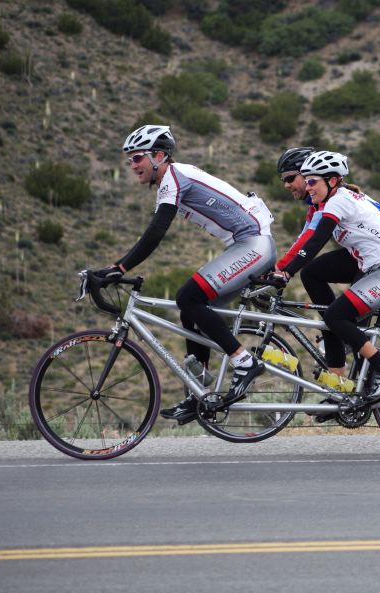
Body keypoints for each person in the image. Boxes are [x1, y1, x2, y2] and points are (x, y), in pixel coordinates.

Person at [94, 124, 277, 425]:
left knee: (188, 297)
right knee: (190, 311)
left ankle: (245, 362)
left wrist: (120, 268)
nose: (132, 165)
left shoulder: (173, 179)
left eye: (137, 157)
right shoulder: (173, 179)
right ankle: (199, 392)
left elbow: (156, 231)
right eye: (129, 159)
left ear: (159, 156)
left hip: (254, 244)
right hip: (245, 244)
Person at [269, 150, 380, 402]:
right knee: (316, 278)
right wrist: (282, 269)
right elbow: (305, 242)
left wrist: (285, 272)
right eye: (306, 181)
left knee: (337, 316)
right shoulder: (329, 201)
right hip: (373, 264)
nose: (308, 187)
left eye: (312, 181)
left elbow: (316, 241)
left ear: (333, 181)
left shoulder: (338, 201)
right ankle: (340, 387)